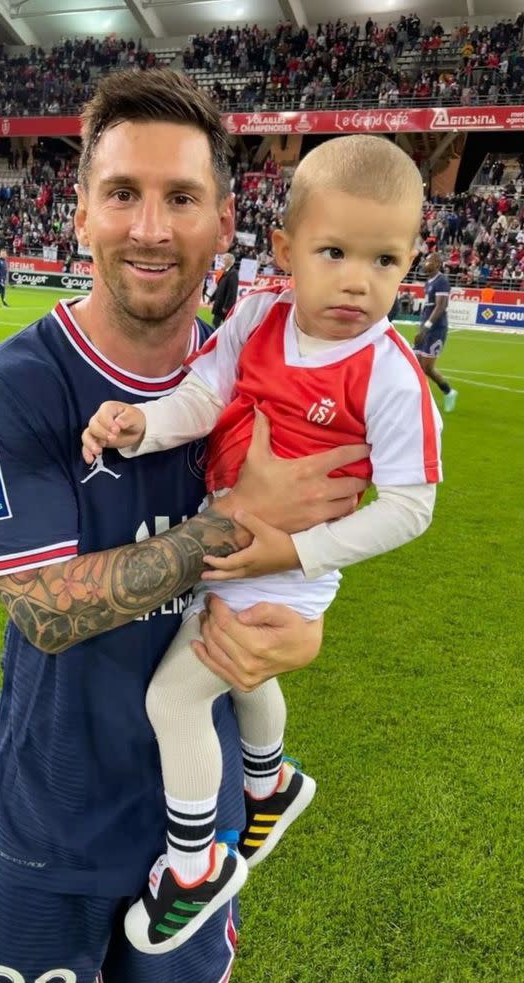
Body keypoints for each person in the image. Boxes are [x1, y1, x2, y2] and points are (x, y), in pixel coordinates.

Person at [0, 69, 369, 983]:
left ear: (224, 222)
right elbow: (44, 609)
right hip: (46, 826)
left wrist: (298, 628)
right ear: (80, 213)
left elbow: (295, 577)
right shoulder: (12, 386)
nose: (149, 227)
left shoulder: (265, 380)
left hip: (197, 834)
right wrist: (228, 529)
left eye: (181, 196)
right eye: (123, 194)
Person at [82, 134, 443, 954]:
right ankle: (271, 780)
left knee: (174, 699)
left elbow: (413, 507)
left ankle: (194, 866)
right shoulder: (260, 318)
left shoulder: (389, 372)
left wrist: (297, 556)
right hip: (232, 536)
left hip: (277, 568)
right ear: (283, 251)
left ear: (412, 260)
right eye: (334, 251)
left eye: (385, 260)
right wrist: (142, 426)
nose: (358, 279)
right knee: (243, 681)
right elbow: (203, 395)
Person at [414, 251, 458, 412]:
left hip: (435, 329)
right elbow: (429, 306)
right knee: (416, 365)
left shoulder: (442, 281)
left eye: (429, 261)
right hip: (425, 327)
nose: (426, 263)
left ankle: (449, 392)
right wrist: (421, 326)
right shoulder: (429, 282)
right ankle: (421, 399)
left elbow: (441, 306)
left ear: (437, 264)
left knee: (427, 368)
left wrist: (426, 327)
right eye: (425, 260)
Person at [209, 252, 239, 327]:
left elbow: (232, 292)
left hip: (224, 306)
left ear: (229, 261)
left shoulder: (233, 274)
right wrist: (212, 298)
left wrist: (226, 306)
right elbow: (219, 288)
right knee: (216, 323)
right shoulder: (225, 272)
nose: (222, 261)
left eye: (224, 260)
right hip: (220, 304)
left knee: (222, 325)